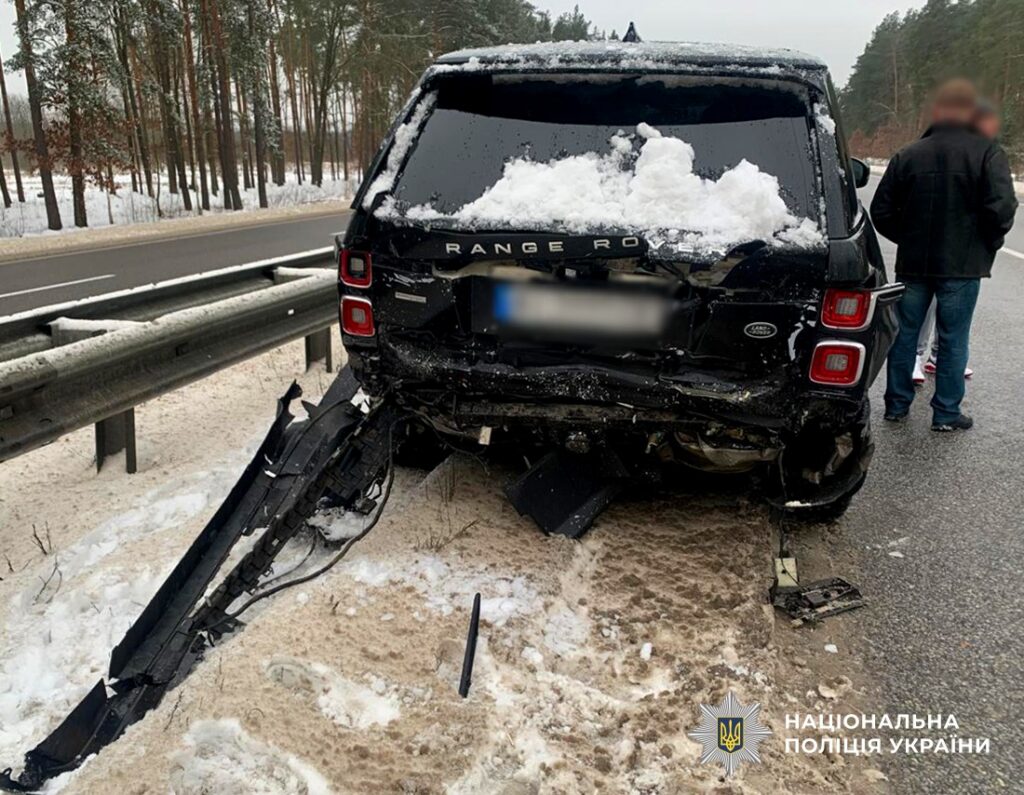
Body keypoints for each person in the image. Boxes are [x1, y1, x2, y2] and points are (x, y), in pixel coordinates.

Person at [871, 79, 1017, 431]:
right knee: (953, 338)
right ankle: (946, 413)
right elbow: (1001, 209)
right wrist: (986, 244)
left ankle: (896, 405)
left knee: (905, 334)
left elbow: (881, 211)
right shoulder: (987, 152)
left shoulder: (908, 154)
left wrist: (907, 238)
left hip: (915, 262)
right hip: (963, 266)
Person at [913, 99, 1002, 384]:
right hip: (929, 250)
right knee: (927, 308)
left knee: (949, 314)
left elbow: (999, 206)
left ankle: (938, 358)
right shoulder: (921, 152)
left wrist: (987, 243)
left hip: (959, 253)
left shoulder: (984, 156)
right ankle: (918, 356)